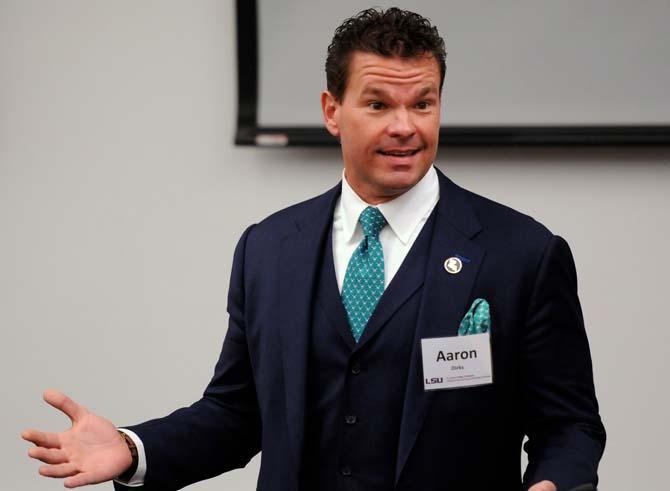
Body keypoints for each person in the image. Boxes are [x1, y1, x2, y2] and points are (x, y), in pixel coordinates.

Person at [22, 8, 605, 491]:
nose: (405, 126)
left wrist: (553, 484)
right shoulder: (268, 249)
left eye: (422, 104)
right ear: (332, 111)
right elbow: (236, 414)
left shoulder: (522, 253)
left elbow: (570, 427)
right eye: (378, 105)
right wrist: (132, 447)